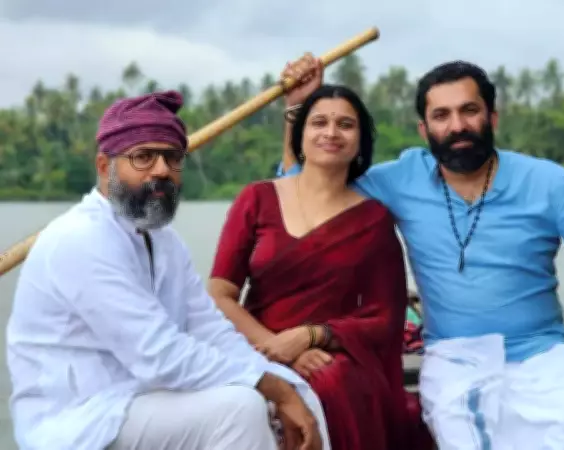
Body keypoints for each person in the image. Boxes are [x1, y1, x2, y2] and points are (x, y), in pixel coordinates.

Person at [276, 59, 564, 449]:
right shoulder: (400, 180)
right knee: (463, 435)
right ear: (424, 128)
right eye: (442, 115)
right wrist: (298, 110)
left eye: (469, 111)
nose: (457, 125)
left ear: (493, 118)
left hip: (543, 355)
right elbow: (308, 191)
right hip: (454, 357)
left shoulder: (545, 182)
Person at [5, 90, 329, 450]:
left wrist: (283, 385)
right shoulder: (81, 238)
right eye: (143, 157)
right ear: (104, 167)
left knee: (301, 392)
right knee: (240, 408)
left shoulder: (165, 241)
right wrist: (269, 386)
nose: (161, 170)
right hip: (80, 416)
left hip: (141, 397)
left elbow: (210, 331)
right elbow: (159, 354)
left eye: (172, 158)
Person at [208, 60, 430, 450]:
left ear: (360, 141)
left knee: (334, 381)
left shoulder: (373, 219)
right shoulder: (257, 199)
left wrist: (313, 336)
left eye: (345, 124)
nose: (331, 132)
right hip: (254, 346)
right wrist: (277, 347)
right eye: (319, 122)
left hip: (333, 354)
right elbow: (219, 293)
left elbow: (384, 318)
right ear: (301, 134)